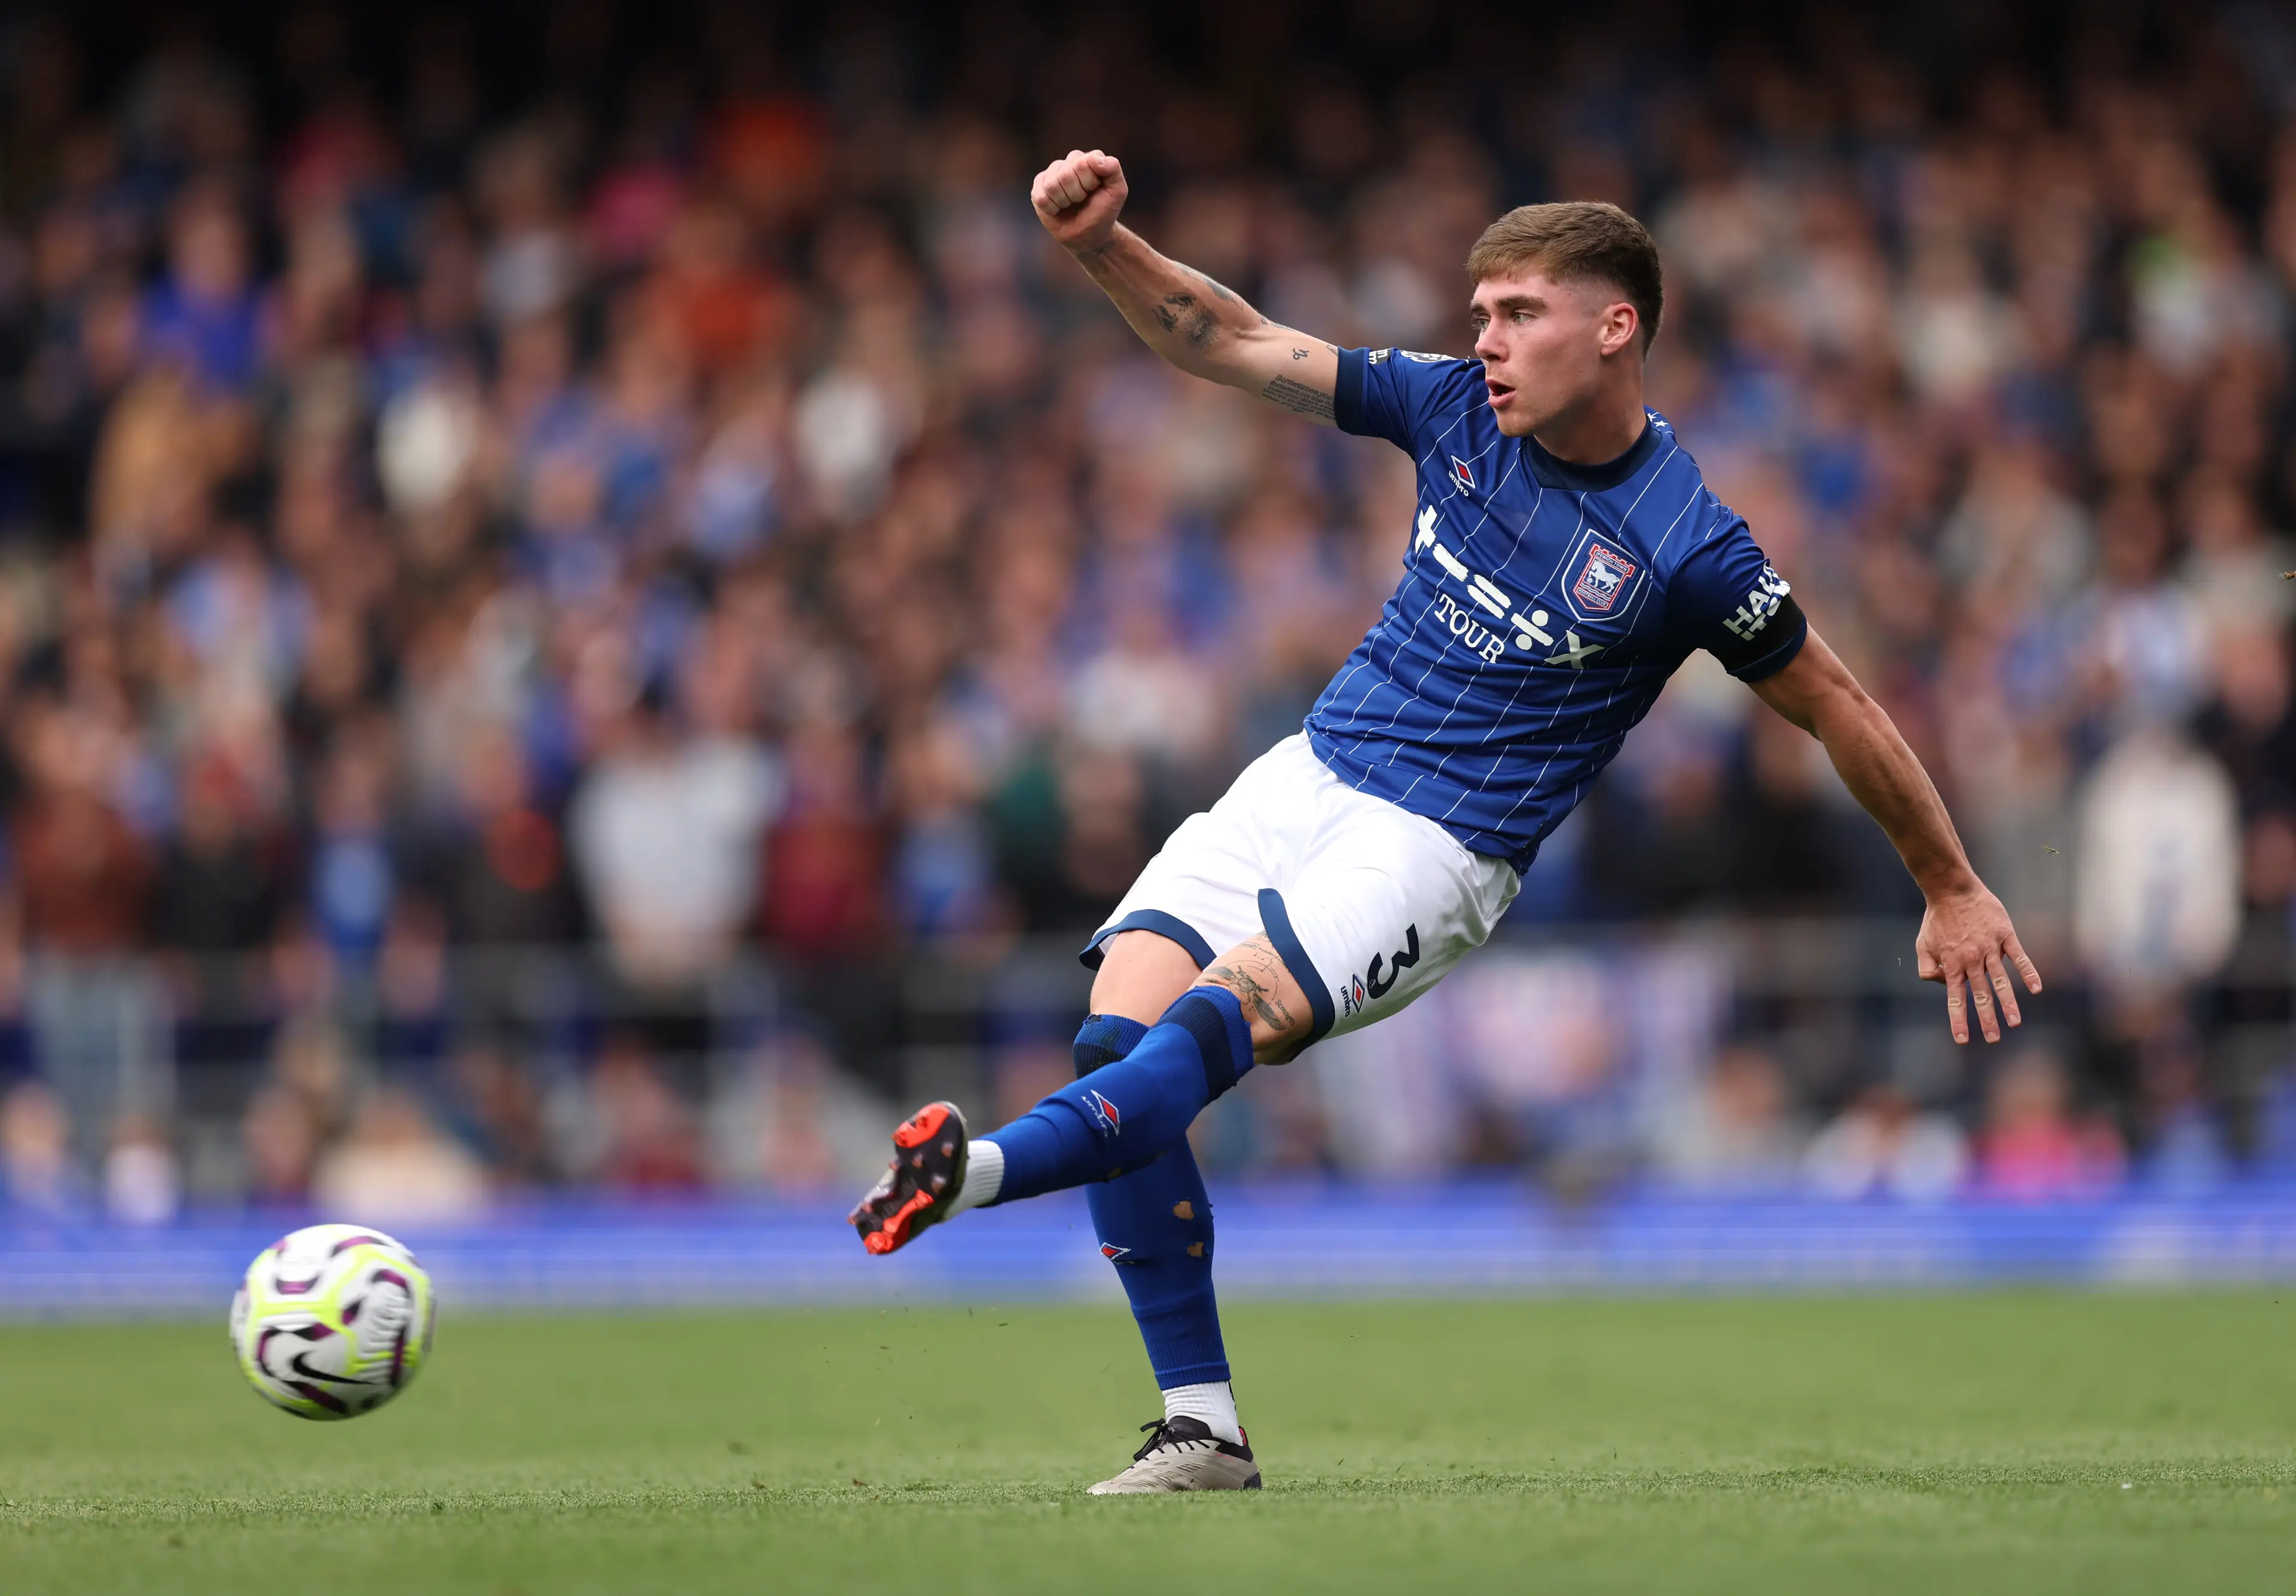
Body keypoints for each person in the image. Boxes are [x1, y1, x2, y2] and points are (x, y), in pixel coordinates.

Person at [850, 149, 2043, 1493]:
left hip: (1438, 843)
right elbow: (1230, 338)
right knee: (1115, 1033)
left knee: (1209, 1030)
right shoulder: (1450, 409)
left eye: (1519, 313)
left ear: (1616, 326)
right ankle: (1203, 1427)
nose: (1485, 340)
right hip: (1309, 771)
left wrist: (1949, 885)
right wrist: (1101, 248)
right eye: (1479, 313)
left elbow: (1835, 705)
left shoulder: (1689, 546)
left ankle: (977, 1175)